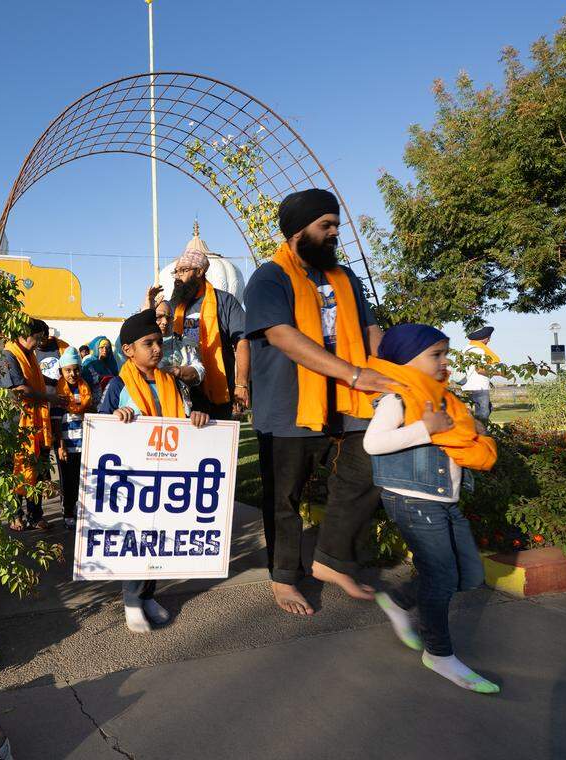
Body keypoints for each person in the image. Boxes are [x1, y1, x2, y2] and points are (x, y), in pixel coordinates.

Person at [242, 188, 396, 615]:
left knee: (367, 471)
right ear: (297, 232)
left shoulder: (345, 278)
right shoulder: (269, 278)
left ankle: (331, 560)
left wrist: (401, 370)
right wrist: (353, 372)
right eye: (324, 226)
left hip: (349, 403)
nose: (334, 235)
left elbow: (371, 331)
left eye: (336, 227)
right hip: (288, 409)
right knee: (284, 499)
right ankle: (284, 578)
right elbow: (281, 336)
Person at [363, 324, 500, 694]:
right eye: (435, 355)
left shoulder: (438, 395)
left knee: (468, 574)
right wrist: (426, 429)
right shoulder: (398, 398)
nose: (444, 361)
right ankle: (439, 654)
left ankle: (398, 600)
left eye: (445, 353)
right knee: (441, 578)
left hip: (443, 499)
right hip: (413, 500)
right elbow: (373, 443)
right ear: (406, 359)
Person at [99, 308, 210, 632]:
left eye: (159, 342)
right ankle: (132, 598)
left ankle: (148, 594)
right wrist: (117, 416)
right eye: (148, 343)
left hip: (167, 477)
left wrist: (197, 419)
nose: (157, 348)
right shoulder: (119, 384)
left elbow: (184, 418)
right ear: (128, 350)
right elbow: (102, 427)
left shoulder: (170, 381)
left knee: (157, 538)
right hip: (133, 480)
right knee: (135, 537)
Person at [161, 246, 250, 420]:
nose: (178, 276)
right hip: (179, 391)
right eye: (176, 272)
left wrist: (241, 384)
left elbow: (242, 342)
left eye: (183, 270)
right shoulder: (171, 306)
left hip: (217, 391)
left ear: (200, 271)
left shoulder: (225, 302)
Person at [0, 318, 62, 531]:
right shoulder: (8, 355)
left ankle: (35, 516)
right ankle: (15, 515)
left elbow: (36, 379)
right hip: (16, 425)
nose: (38, 344)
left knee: (38, 471)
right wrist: (47, 397)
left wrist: (56, 382)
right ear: (24, 335)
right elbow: (20, 389)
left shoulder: (29, 355)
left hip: (36, 425)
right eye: (37, 339)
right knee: (16, 470)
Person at [51, 347, 93, 530]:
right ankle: (67, 512)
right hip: (66, 445)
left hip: (83, 444)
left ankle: (80, 511)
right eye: (68, 370)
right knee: (67, 481)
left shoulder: (86, 389)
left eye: (76, 369)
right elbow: (57, 421)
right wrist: (60, 446)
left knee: (82, 480)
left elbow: (91, 413)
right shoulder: (59, 392)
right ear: (62, 371)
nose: (72, 373)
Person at [150, 296, 205, 388]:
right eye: (159, 317)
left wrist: (175, 371)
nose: (165, 322)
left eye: (168, 318)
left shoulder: (184, 342)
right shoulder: (138, 342)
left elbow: (199, 371)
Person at [463, 326, 498, 421]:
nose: (489, 341)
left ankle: (474, 429)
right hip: (478, 387)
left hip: (469, 386)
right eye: (489, 338)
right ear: (485, 338)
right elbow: (480, 369)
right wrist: (499, 373)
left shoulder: (467, 348)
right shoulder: (479, 350)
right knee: (483, 414)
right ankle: (478, 433)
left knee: (487, 409)